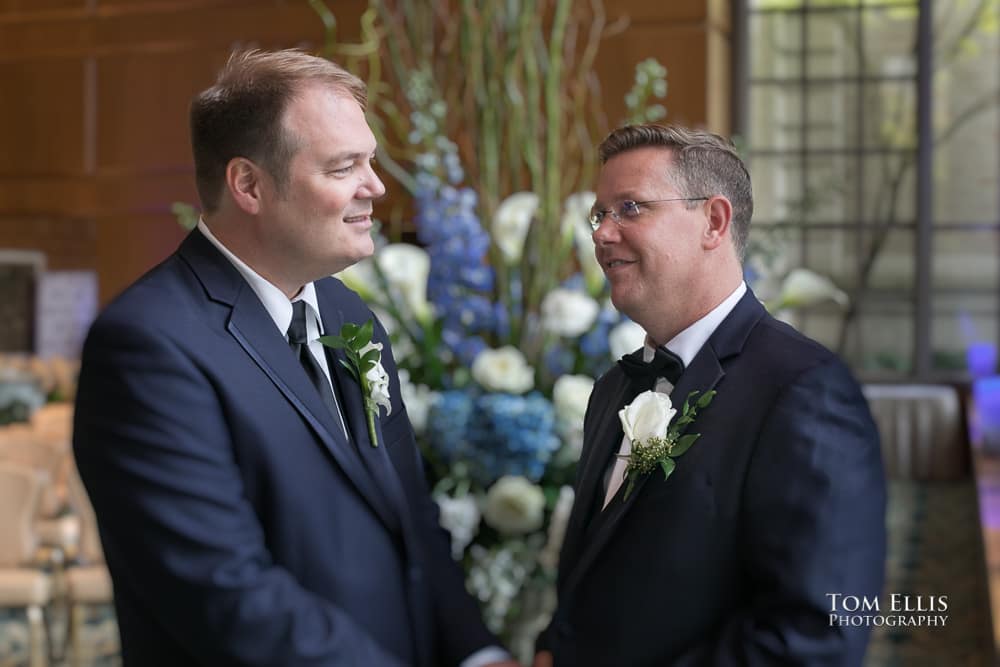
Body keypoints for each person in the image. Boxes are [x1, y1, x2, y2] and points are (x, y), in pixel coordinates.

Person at [73, 49, 517, 667]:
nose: (376, 187)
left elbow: (412, 522)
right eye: (344, 167)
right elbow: (223, 593)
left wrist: (479, 654)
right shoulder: (147, 345)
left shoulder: (348, 315)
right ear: (249, 185)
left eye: (369, 161)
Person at [534, 124, 886, 666]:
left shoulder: (803, 391)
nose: (602, 234)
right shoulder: (612, 389)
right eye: (599, 215)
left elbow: (817, 636)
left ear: (714, 221)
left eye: (630, 208)